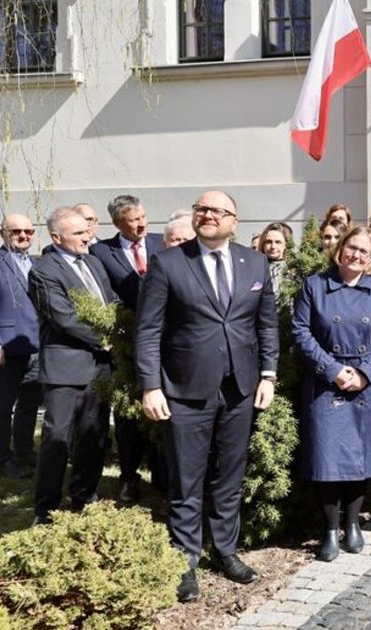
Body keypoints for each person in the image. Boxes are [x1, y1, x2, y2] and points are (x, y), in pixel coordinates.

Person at [135, 190, 279, 602]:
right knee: (186, 478)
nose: (208, 214)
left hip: (240, 389)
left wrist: (268, 375)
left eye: (218, 210)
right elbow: (148, 330)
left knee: (230, 475)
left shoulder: (254, 263)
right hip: (184, 389)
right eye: (202, 208)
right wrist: (151, 385)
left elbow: (265, 324)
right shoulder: (168, 263)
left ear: (235, 220)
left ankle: (225, 550)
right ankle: (185, 562)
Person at [291, 225, 371, 561]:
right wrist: (334, 371)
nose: (356, 255)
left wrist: (365, 373)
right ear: (339, 249)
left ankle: (352, 524)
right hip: (327, 383)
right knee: (328, 460)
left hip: (368, 385)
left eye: (364, 252)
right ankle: (329, 529)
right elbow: (300, 331)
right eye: (351, 248)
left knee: (360, 460)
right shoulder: (315, 286)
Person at [28, 207, 119, 525]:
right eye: (79, 233)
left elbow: (111, 302)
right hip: (66, 367)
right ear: (56, 237)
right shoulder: (43, 270)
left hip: (100, 368)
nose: (87, 236)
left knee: (94, 436)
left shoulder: (93, 262)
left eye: (87, 230)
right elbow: (63, 316)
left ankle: (84, 497)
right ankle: (47, 510)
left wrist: (122, 328)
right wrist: (106, 339)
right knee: (58, 440)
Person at [91, 194, 166, 503]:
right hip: (125, 346)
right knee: (127, 417)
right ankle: (128, 477)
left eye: (144, 216)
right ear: (117, 223)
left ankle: (163, 479)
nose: (142, 223)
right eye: (134, 220)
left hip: (165, 342)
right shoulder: (101, 251)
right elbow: (101, 294)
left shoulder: (163, 242)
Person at [0, 213, 43, 479]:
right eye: (16, 231)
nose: (23, 236)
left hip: (35, 347)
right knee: (3, 406)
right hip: (4, 350)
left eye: (28, 231)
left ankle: (24, 451)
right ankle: (4, 459)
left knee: (30, 404)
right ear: (3, 233)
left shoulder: (37, 264)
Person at [258, 222, 292, 295]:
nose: (273, 246)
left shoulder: (293, 270)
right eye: (268, 242)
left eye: (278, 242)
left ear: (286, 244)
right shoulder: (254, 269)